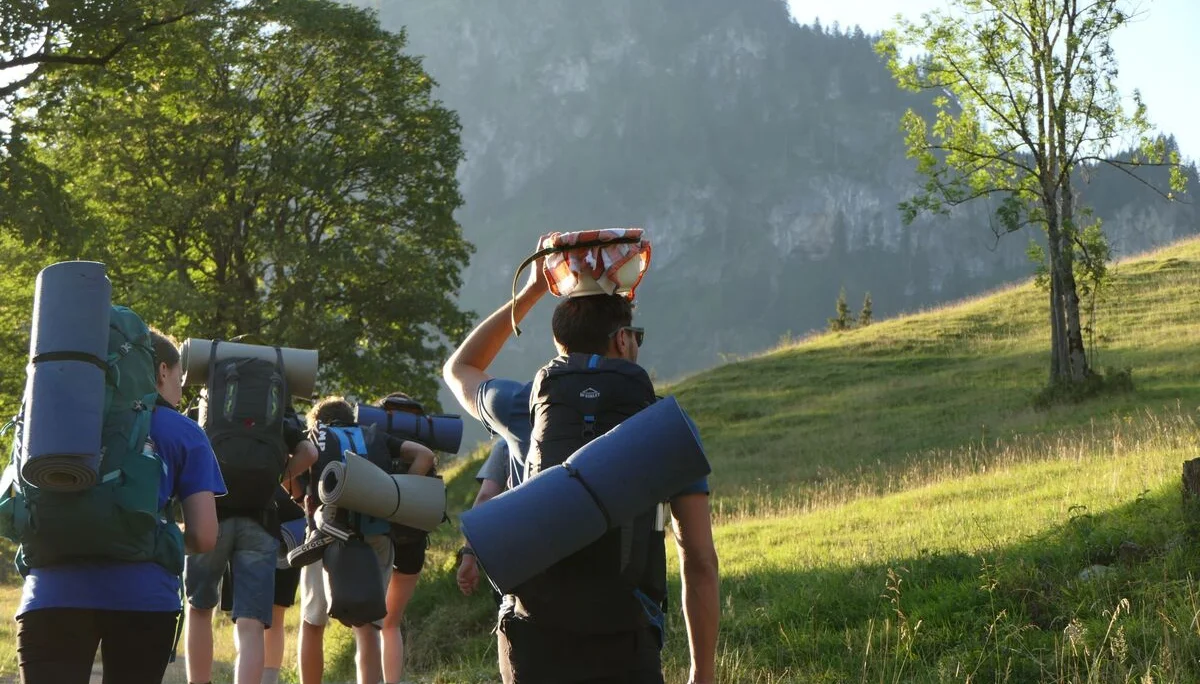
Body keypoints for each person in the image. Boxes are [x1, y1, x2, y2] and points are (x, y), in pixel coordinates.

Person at [443, 257, 720, 684]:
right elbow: (699, 560)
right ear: (624, 340)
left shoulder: (525, 409)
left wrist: (532, 291)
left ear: (559, 347)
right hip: (624, 638)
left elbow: (459, 368)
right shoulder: (663, 428)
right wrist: (702, 674)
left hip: (533, 638)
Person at [15, 326, 225, 684]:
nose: (180, 387)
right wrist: (145, 531)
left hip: (51, 593)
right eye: (179, 376)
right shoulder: (182, 431)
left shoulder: (51, 421)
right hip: (144, 598)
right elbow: (205, 537)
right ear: (161, 371)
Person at [185, 368, 318, 684]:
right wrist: (275, 479)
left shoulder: (209, 402)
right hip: (262, 518)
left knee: (200, 609)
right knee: (252, 622)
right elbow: (309, 452)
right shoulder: (275, 409)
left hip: (210, 515)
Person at [296, 396, 435, 684]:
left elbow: (298, 478)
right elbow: (425, 456)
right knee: (367, 625)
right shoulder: (375, 436)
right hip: (376, 538)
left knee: (312, 623)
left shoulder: (314, 437)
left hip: (326, 538)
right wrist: (399, 495)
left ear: (318, 423)